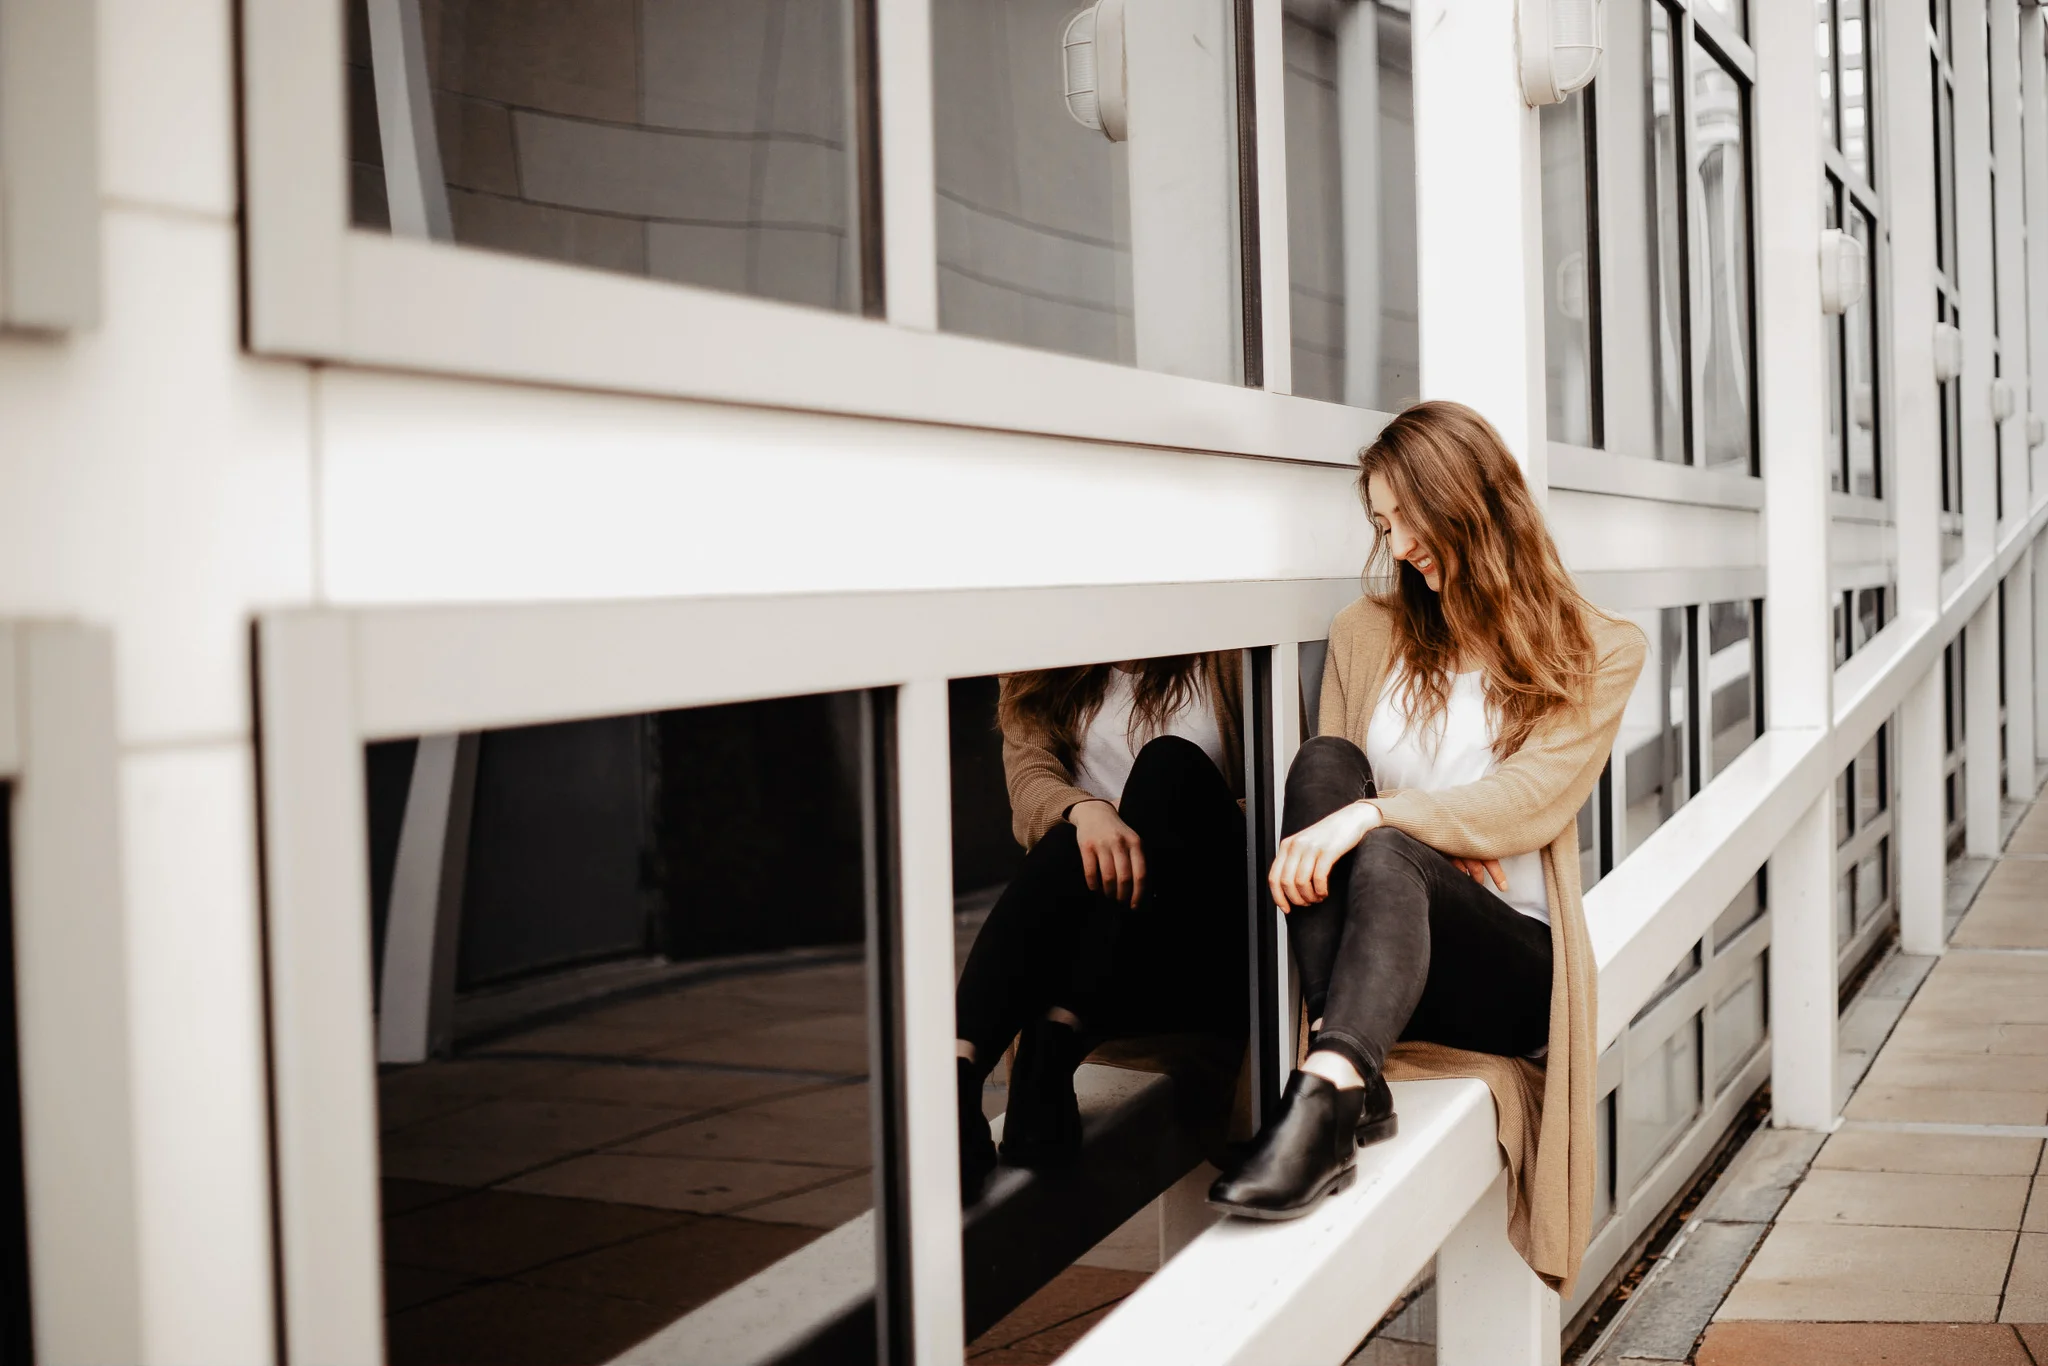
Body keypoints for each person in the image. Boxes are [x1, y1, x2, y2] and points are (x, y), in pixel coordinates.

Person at [1207, 400, 1644, 1295]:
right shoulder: (1363, 634)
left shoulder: (1598, 647)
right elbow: (1332, 812)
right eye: (1381, 523)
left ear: (1472, 502)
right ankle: (1342, 1080)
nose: (1398, 543)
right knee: (1326, 765)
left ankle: (1323, 1096)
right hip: (1386, 950)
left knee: (1376, 836)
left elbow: (1528, 801)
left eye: (1409, 516)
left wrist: (1392, 820)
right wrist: (1423, 829)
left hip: (1508, 965)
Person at [954, 654, 1246, 1202]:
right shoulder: (1041, 655)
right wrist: (1089, 811)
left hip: (1203, 934)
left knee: (1169, 765)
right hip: (1100, 949)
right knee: (1072, 830)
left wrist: (1148, 827)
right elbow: (1030, 785)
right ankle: (965, 1071)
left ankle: (1052, 1037)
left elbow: (1284, 791)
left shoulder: (1224, 649)